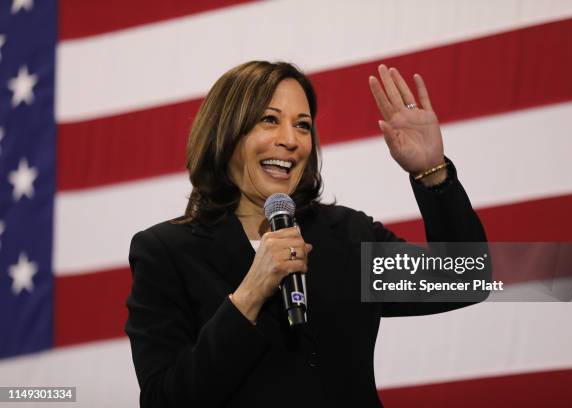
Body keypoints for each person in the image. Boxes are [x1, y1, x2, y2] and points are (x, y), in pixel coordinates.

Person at [125, 61, 487, 407]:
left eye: (302, 125)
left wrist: (433, 173)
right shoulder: (166, 252)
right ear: (225, 134)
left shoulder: (347, 235)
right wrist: (250, 294)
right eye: (269, 120)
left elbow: (465, 279)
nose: (291, 140)